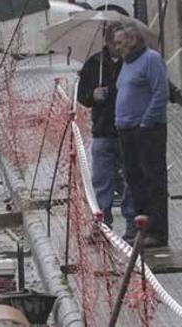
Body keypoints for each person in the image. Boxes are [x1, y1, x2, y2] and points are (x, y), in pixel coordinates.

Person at [113, 23, 170, 248]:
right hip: (126, 131)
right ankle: (141, 226)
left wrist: (147, 122)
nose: (116, 47)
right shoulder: (126, 64)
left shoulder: (151, 60)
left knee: (152, 180)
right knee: (134, 180)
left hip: (146, 130)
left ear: (133, 40)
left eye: (119, 42)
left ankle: (157, 231)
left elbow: (160, 93)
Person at [76, 25, 135, 240]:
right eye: (115, 44)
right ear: (108, 43)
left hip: (127, 131)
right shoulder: (94, 64)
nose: (119, 48)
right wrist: (93, 95)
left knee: (130, 178)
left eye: (122, 43)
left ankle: (131, 223)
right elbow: (82, 96)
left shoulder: (131, 63)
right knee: (102, 180)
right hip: (103, 130)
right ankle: (103, 222)